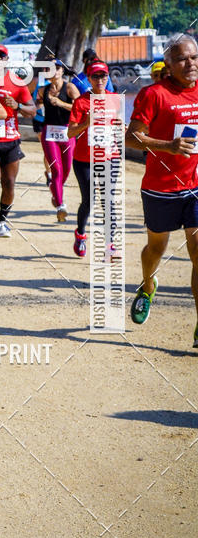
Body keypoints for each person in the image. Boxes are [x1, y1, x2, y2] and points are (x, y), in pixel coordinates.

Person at [125, 34, 198, 345]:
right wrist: (169, 146)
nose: (190, 64)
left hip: (195, 187)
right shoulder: (154, 94)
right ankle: (147, 284)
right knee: (156, 249)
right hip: (161, 188)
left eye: (194, 57)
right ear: (168, 63)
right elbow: (131, 138)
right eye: (182, 58)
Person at [67, 61, 121, 257]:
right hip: (84, 159)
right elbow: (70, 133)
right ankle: (80, 234)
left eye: (103, 76)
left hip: (110, 156)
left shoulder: (115, 99)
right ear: (88, 79)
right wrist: (86, 123)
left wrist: (121, 128)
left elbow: (121, 127)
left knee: (108, 200)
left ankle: (109, 245)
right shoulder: (81, 102)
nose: (100, 80)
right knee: (89, 200)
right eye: (96, 76)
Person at [0, 44, 36, 235]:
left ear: (7, 59)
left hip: (11, 139)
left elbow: (33, 111)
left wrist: (18, 105)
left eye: (1, 56)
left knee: (9, 183)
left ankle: (2, 222)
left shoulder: (17, 82)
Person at [36, 61, 79, 221]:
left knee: (67, 168)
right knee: (57, 170)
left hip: (67, 131)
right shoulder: (43, 89)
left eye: (57, 68)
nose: (53, 71)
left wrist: (60, 103)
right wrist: (36, 107)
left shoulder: (69, 88)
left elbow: (79, 107)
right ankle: (61, 206)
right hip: (49, 133)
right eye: (49, 69)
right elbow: (37, 104)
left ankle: (55, 191)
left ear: (62, 71)